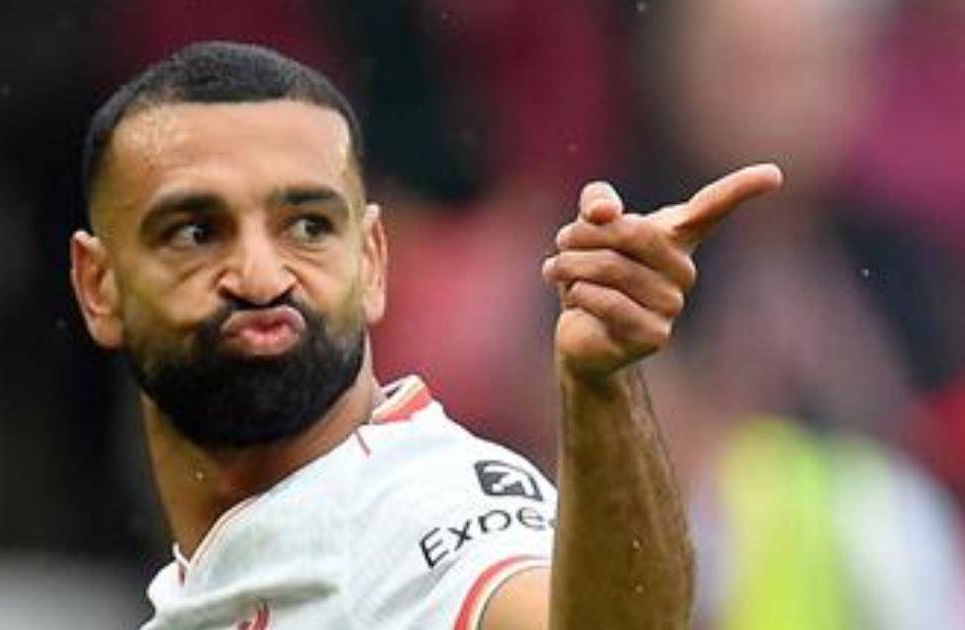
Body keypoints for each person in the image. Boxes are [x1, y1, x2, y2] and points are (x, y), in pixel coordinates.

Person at [68, 41, 782, 629]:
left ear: (373, 262)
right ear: (99, 285)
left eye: (309, 226)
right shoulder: (210, 588)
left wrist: (603, 388)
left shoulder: (424, 513)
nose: (260, 276)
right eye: (196, 232)